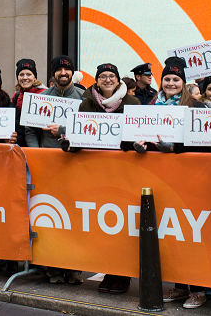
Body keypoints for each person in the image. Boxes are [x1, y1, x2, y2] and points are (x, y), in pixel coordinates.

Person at [133, 57, 209, 308]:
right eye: (167, 79)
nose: (171, 83)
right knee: (172, 234)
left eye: (176, 79)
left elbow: (204, 142)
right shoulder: (153, 104)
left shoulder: (197, 107)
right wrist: (139, 145)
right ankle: (178, 286)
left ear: (184, 83)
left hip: (190, 180)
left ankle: (197, 289)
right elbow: (140, 134)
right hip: (163, 179)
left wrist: (175, 148)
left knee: (191, 233)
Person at [60, 62, 140, 294]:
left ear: (118, 80)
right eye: (103, 76)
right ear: (96, 80)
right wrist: (69, 145)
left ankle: (122, 274)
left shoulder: (133, 103)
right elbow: (79, 136)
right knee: (103, 225)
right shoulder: (86, 103)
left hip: (124, 173)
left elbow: (138, 135)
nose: (107, 80)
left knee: (123, 225)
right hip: (95, 173)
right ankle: (108, 270)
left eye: (111, 76)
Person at [25, 55, 84, 285]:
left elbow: (87, 128)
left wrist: (64, 129)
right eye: (58, 70)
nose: (63, 73)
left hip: (74, 165)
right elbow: (30, 130)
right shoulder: (40, 98)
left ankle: (73, 268)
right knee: (50, 217)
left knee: (73, 218)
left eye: (66, 70)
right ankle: (53, 267)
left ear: (72, 73)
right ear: (53, 74)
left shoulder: (83, 97)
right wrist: (37, 153)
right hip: (47, 167)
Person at [12, 59, 47, 147]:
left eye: (29, 74)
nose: (25, 78)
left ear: (34, 77)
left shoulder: (44, 94)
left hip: (38, 143)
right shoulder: (16, 96)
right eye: (21, 74)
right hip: (21, 143)